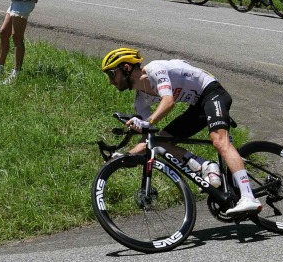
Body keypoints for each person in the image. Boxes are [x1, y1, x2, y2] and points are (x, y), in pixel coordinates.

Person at [100, 48, 263, 216]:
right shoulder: (141, 100)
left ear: (126, 68)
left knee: (219, 141)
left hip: (212, 92)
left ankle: (248, 196)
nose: (111, 82)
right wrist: (124, 156)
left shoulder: (154, 69)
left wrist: (147, 122)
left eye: (112, 75)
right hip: (197, 106)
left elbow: (168, 101)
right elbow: (148, 139)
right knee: (161, 141)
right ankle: (205, 166)